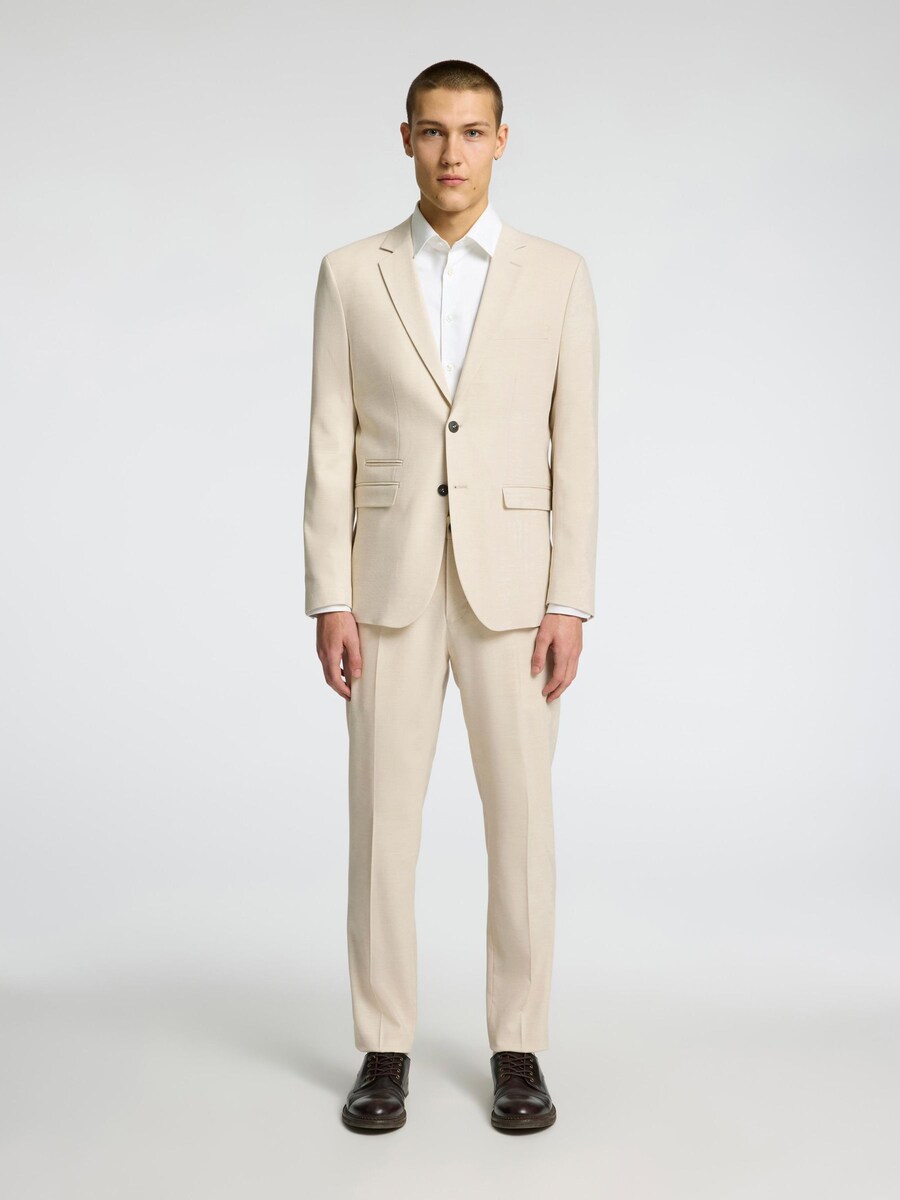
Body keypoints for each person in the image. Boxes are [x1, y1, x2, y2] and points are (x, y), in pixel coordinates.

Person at [303, 59, 599, 1133]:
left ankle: (518, 1044)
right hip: (387, 584)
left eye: (472, 132)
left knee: (521, 824)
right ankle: (383, 1046)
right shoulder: (350, 274)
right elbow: (329, 444)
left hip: (514, 591)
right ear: (406, 139)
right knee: (382, 825)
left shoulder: (557, 275)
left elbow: (579, 447)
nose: (452, 153)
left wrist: (570, 598)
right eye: (433, 131)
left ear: (502, 141)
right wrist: (329, 596)